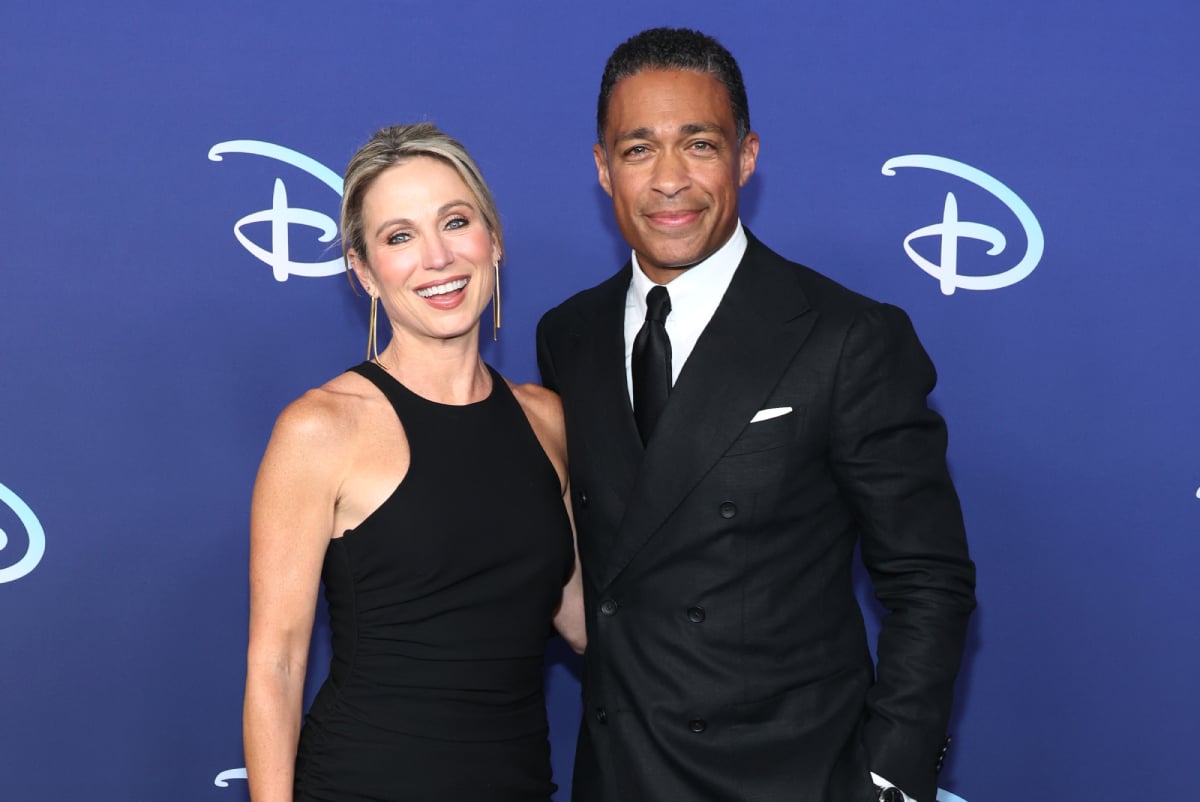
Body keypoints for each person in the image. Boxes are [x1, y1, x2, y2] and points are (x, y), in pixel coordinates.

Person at [536, 27, 975, 802]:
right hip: (619, 774)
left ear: (745, 156)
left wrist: (888, 777)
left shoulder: (846, 337)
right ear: (603, 168)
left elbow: (927, 579)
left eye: (699, 145)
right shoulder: (568, 334)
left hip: (792, 775)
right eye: (638, 150)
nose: (669, 180)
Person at [243, 123, 585, 802]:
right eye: (399, 237)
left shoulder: (547, 420)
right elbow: (276, 664)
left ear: (493, 240)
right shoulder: (320, 428)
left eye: (455, 222)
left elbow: (584, 621)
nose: (436, 257)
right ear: (364, 272)